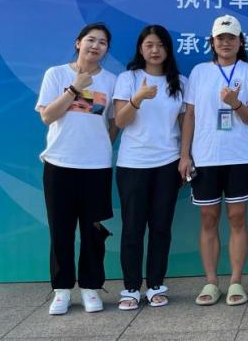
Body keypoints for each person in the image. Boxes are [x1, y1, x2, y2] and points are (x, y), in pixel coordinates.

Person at [179, 14, 248, 308]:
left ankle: (236, 281)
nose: (225, 43)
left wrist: (235, 103)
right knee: (208, 218)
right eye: (220, 38)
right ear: (212, 42)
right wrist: (185, 155)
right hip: (205, 157)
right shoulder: (199, 72)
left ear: (240, 42)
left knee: (237, 217)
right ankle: (212, 281)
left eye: (231, 38)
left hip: (239, 156)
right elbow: (190, 115)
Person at [36, 22, 116, 316]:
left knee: (93, 230)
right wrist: (75, 87)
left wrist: (99, 146)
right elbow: (48, 116)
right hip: (60, 163)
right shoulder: (56, 74)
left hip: (96, 166)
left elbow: (113, 123)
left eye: (102, 43)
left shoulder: (111, 80)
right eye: (91, 40)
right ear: (78, 43)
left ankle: (91, 287)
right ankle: (62, 290)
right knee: (61, 229)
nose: (96, 46)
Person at [113, 25, 187, 310]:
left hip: (168, 163)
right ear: (140, 49)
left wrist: (185, 157)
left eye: (160, 45)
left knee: (161, 227)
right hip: (133, 164)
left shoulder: (180, 82)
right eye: (149, 45)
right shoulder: (128, 78)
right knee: (132, 228)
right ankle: (131, 288)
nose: (155, 50)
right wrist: (138, 97)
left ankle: (156, 285)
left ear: (168, 49)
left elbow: (185, 124)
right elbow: (120, 121)